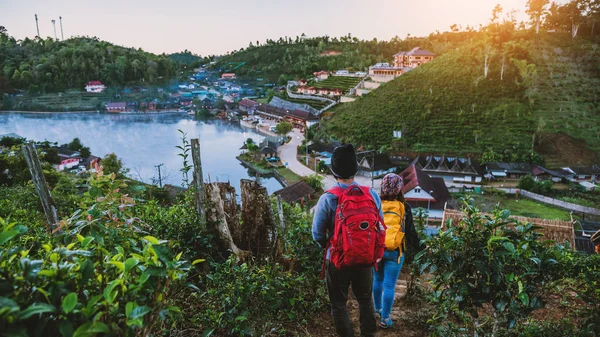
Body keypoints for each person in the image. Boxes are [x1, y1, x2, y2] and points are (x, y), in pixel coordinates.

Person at [312, 144, 384, 337]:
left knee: (338, 304)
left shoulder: (327, 199)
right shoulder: (372, 195)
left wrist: (325, 246)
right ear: (356, 169)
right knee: (365, 299)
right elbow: (381, 227)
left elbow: (317, 234)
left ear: (333, 171)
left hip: (337, 259)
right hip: (365, 258)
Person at [373, 173, 422, 329]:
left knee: (377, 280)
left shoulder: (376, 203)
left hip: (377, 249)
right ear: (400, 189)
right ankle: (385, 319)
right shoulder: (404, 207)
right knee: (389, 286)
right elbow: (411, 233)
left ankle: (376, 310)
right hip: (395, 251)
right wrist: (423, 247)